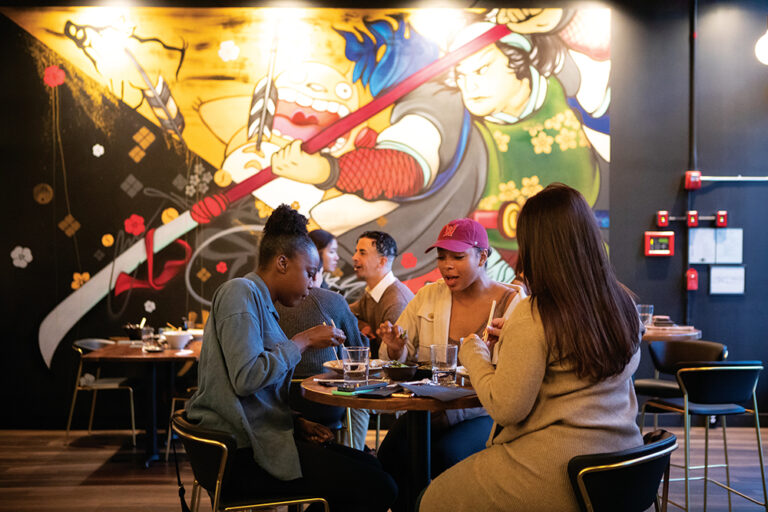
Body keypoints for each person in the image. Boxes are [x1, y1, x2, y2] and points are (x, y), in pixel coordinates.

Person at [419, 184, 643, 511]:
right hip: (622, 464)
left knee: (432, 499)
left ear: (536, 247)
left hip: (559, 468)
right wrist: (514, 338)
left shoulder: (535, 313)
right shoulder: (622, 303)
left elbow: (506, 407)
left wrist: (473, 350)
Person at [186, 205, 396, 512]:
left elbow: (254, 393)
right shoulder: (239, 293)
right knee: (378, 486)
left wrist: (296, 422)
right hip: (240, 455)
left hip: (257, 439)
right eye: (309, 273)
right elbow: (246, 379)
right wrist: (305, 339)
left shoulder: (263, 304)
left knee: (372, 467)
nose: (312, 285)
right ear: (282, 263)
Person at [376, 218, 524, 512]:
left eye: (458, 257)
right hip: (430, 411)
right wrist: (395, 348)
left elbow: (515, 376)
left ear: (482, 256)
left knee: (446, 456)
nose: (447, 266)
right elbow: (398, 351)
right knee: (390, 456)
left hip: (484, 413)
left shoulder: (512, 302)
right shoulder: (429, 295)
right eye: (442, 257)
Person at [276, 266, 370, 451]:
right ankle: (352, 453)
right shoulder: (331, 299)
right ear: (314, 273)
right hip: (326, 402)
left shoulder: (264, 303)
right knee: (360, 396)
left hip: (277, 401)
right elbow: (357, 351)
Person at [349, 231, 414, 358]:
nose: (354, 257)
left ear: (382, 262)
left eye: (362, 253)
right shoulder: (371, 293)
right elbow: (344, 313)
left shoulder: (396, 302)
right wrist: (362, 325)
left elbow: (398, 359)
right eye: (356, 251)